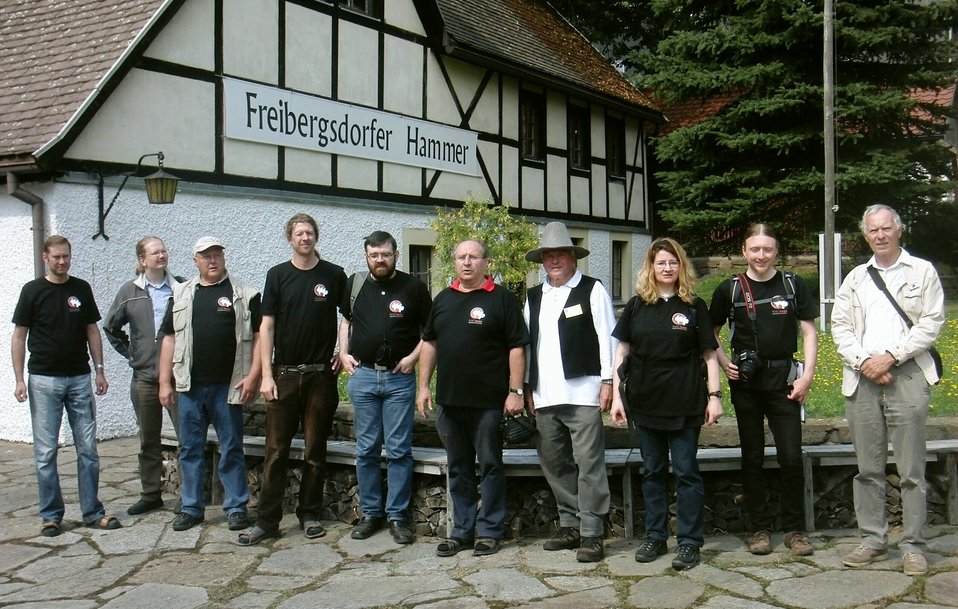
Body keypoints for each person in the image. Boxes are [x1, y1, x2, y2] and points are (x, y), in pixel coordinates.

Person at [831, 204, 945, 577]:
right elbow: (840, 326)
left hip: (907, 375)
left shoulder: (922, 271)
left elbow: (931, 323)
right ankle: (873, 538)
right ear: (865, 236)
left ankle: (912, 544)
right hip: (863, 378)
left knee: (912, 468)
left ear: (899, 230)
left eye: (886, 229)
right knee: (868, 469)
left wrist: (892, 357)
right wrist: (866, 362)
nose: (880, 235)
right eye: (873, 231)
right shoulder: (856, 278)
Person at [610, 237, 722, 570]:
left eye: (673, 262)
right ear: (651, 266)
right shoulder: (636, 306)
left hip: (686, 401)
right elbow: (622, 353)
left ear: (680, 266)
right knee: (653, 472)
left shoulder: (693, 305)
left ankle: (689, 542)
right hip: (645, 402)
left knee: (687, 472)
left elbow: (709, 354)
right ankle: (655, 537)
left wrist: (714, 397)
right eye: (661, 262)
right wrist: (617, 396)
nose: (667, 268)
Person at [708, 224, 818, 557]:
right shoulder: (728, 290)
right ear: (744, 251)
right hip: (746, 385)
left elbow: (810, 333)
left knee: (791, 458)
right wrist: (726, 361)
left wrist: (807, 376)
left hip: (785, 383)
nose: (761, 255)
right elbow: (710, 332)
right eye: (754, 249)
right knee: (752, 458)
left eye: (767, 249)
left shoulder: (792, 285)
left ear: (776, 252)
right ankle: (759, 529)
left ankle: (795, 530)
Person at [238, 213, 347, 546]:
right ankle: (267, 521)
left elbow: (348, 317)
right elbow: (266, 327)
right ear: (290, 238)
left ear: (316, 237)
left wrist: (344, 350)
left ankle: (309, 513)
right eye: (299, 233)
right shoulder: (278, 275)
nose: (305, 237)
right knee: (275, 452)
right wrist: (266, 375)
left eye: (310, 232)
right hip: (283, 375)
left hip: (320, 376)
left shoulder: (333, 275)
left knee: (315, 450)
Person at [417, 239, 529, 557]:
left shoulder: (503, 300)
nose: (467, 262)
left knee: (491, 465)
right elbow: (429, 344)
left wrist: (515, 391)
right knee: (458, 466)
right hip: (450, 402)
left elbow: (517, 347)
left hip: (489, 403)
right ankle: (462, 531)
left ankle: (489, 532)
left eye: (473, 257)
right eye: (461, 257)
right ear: (454, 262)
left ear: (485, 262)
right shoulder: (443, 300)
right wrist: (424, 387)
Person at [11, 235, 122, 537]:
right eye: (57, 257)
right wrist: (19, 378)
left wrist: (99, 370)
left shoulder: (81, 289)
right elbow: (19, 336)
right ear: (45, 257)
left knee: (88, 449)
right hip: (43, 380)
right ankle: (51, 515)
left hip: (79, 379)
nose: (62, 262)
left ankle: (92, 511)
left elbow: (92, 331)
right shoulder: (32, 291)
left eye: (67, 256)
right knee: (46, 452)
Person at [522, 222, 616, 563]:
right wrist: (526, 387)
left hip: (584, 392)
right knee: (555, 462)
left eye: (561, 253)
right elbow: (527, 346)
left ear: (573, 257)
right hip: (545, 395)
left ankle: (592, 532)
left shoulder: (592, 290)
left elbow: (609, 337)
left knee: (590, 463)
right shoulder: (533, 296)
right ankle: (570, 523)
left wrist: (608, 382)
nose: (554, 260)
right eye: (548, 255)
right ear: (542, 261)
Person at [158, 236, 261, 533]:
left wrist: (254, 374)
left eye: (217, 254)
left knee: (231, 447)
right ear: (196, 261)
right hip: (188, 387)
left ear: (224, 257)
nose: (212, 260)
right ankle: (191, 507)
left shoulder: (244, 294)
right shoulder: (180, 295)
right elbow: (168, 338)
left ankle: (236, 507)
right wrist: (164, 381)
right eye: (206, 256)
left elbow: (259, 338)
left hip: (227, 387)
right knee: (190, 448)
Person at [339, 231, 431, 544]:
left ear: (396, 255)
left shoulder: (414, 288)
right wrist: (343, 352)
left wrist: (413, 358)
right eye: (374, 255)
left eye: (386, 254)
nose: (380, 260)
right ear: (366, 256)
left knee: (398, 450)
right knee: (365, 450)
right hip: (363, 376)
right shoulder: (355, 284)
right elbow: (346, 320)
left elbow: (430, 332)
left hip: (398, 379)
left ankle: (397, 517)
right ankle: (371, 514)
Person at [104, 236, 182, 516]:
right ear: (142, 260)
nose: (161, 255)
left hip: (178, 378)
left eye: (164, 250)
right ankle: (151, 494)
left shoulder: (182, 287)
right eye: (155, 252)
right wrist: (133, 354)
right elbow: (111, 328)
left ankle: (188, 496)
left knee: (187, 438)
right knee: (149, 439)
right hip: (145, 378)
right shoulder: (130, 291)